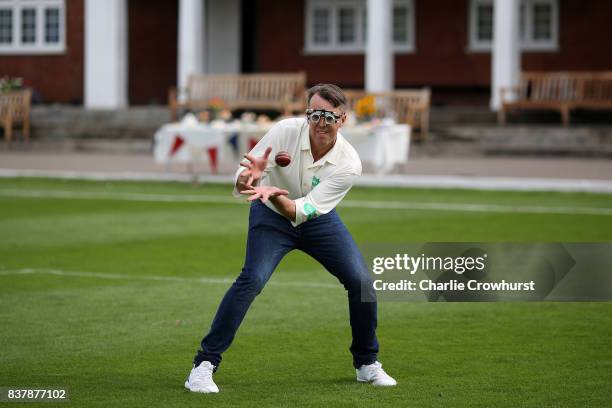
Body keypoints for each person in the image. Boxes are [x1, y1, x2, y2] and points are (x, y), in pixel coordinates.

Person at [185, 84, 397, 393]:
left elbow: (303, 211)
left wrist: (274, 193)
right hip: (269, 213)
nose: (321, 123)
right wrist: (251, 179)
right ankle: (203, 366)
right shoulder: (285, 130)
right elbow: (244, 179)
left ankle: (367, 364)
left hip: (315, 219)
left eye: (329, 116)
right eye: (315, 115)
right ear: (307, 114)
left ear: (343, 120)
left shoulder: (349, 164)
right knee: (252, 279)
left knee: (361, 281)